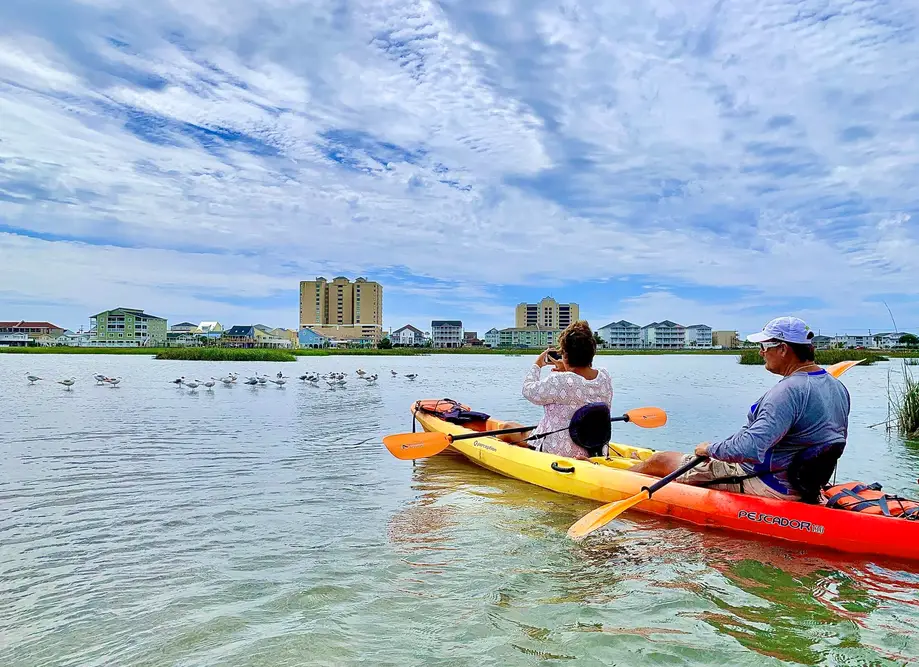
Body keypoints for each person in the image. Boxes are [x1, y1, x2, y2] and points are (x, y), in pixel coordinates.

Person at [630, 317, 851, 501]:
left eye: (764, 346)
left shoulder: (787, 392)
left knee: (660, 460)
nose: (760, 353)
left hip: (769, 483)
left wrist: (710, 449)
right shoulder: (837, 386)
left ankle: (603, 478)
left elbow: (749, 449)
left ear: (783, 349)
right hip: (803, 484)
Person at [498, 321, 613, 459]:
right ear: (592, 352)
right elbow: (580, 384)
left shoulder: (558, 380)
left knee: (508, 427)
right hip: (594, 449)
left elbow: (528, 390)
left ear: (565, 355)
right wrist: (567, 369)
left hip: (557, 451)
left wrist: (537, 365)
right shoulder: (604, 377)